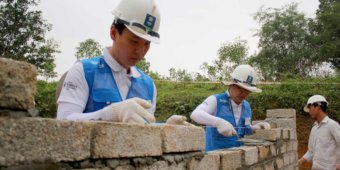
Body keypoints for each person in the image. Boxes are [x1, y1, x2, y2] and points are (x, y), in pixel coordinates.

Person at [56, 0, 188, 125]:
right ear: (113, 33)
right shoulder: (84, 71)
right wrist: (110, 114)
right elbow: (63, 122)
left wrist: (164, 128)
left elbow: (143, 130)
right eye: (134, 41)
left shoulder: (148, 86)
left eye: (147, 44)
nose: (140, 51)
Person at [191, 64, 271, 151]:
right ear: (231, 85)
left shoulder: (246, 106)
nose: (244, 94)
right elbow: (195, 114)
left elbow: (244, 129)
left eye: (247, 91)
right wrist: (218, 122)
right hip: (214, 158)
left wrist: (255, 128)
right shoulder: (216, 100)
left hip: (238, 157)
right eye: (241, 89)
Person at [298, 95, 340, 170]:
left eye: (310, 108)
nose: (309, 111)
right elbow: (311, 151)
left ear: (318, 107)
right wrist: (301, 161)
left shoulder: (332, 125)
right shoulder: (314, 128)